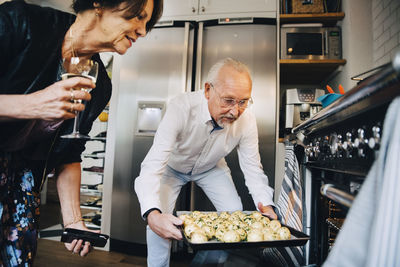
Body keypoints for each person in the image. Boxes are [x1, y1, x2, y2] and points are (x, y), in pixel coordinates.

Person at [0, 0, 162, 265]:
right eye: (138, 16)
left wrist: (74, 221)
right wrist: (31, 104)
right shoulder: (20, 22)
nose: (143, 31)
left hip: (23, 179)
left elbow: (70, 151)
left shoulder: (99, 85)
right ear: (99, 3)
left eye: (147, 23)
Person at [135, 58, 277, 267]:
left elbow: (252, 167)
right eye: (228, 100)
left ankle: (211, 262)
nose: (235, 111)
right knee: (160, 220)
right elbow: (153, 164)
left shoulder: (247, 119)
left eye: (243, 101)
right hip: (172, 168)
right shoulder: (181, 107)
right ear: (208, 90)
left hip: (211, 167)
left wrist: (266, 203)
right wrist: (151, 213)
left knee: (233, 211)